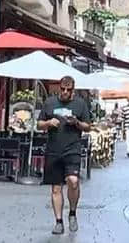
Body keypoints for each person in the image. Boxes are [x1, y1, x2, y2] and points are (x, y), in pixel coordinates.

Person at [37, 75, 91, 236]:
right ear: (59, 88)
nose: (65, 92)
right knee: (56, 187)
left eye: (68, 90)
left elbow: (88, 126)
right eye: (63, 89)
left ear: (73, 90)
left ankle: (72, 213)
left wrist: (77, 123)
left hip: (72, 149)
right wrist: (48, 123)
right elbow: (39, 124)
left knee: (73, 182)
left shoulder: (80, 104)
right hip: (53, 150)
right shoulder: (50, 103)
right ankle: (59, 222)